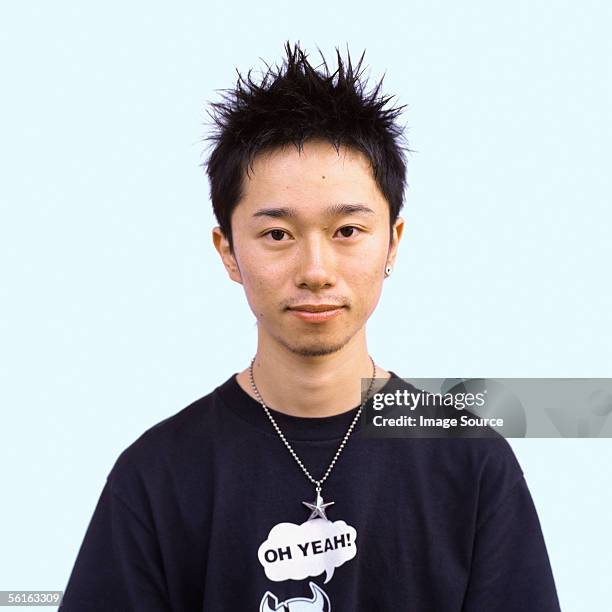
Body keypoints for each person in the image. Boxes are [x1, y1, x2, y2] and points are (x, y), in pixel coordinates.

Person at [60, 42, 562, 611]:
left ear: (391, 243)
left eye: (347, 231)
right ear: (228, 250)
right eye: (277, 235)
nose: (316, 271)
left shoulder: (470, 463)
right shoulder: (157, 476)